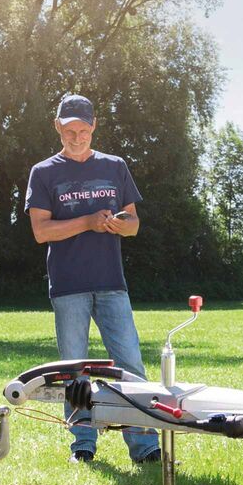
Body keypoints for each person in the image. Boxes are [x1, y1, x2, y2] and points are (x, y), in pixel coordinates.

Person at [24, 93, 160, 464]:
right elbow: (41, 231)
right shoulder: (44, 172)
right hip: (68, 286)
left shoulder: (115, 166)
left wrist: (119, 223)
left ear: (94, 126)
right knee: (74, 369)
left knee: (130, 365)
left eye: (83, 130)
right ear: (58, 127)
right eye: (69, 130)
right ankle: (82, 444)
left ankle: (145, 446)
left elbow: (133, 224)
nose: (77, 137)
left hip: (111, 282)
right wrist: (86, 222)